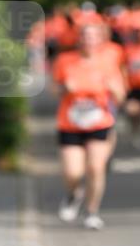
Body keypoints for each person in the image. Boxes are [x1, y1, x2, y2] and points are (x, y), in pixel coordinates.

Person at [53, 21, 127, 230]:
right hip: (70, 123)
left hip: (99, 122)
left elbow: (121, 97)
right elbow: (54, 89)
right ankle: (74, 194)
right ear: (79, 39)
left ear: (101, 40)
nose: (89, 40)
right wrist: (64, 89)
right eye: (85, 36)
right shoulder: (65, 61)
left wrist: (114, 89)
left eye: (94, 37)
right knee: (73, 172)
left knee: (96, 167)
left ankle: (92, 212)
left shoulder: (108, 63)